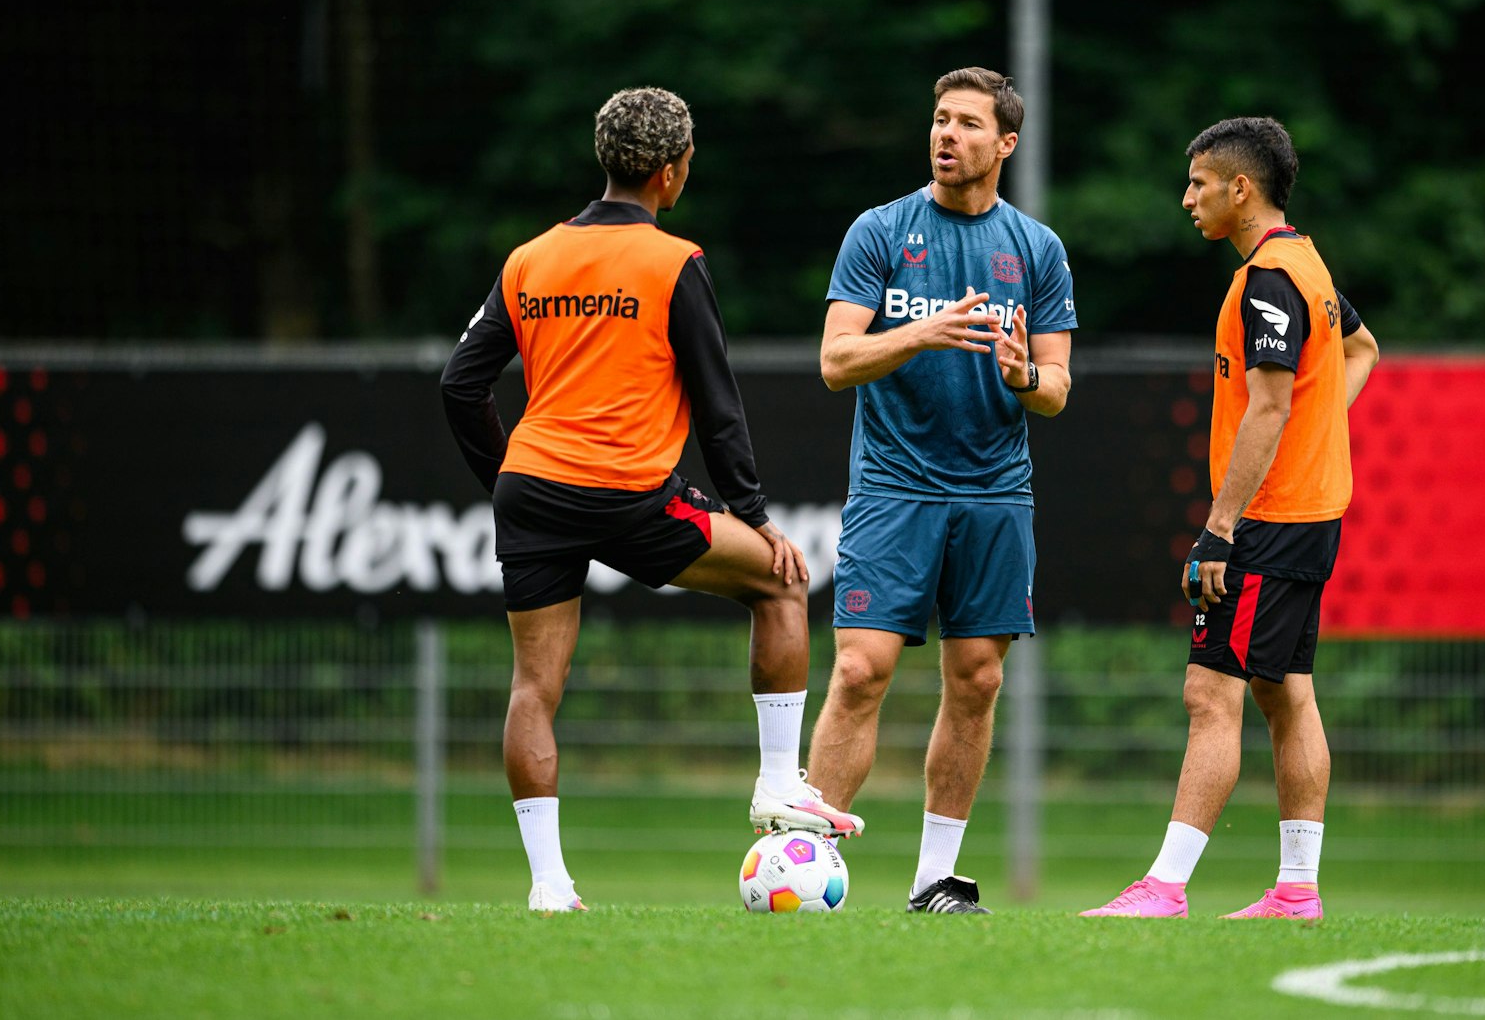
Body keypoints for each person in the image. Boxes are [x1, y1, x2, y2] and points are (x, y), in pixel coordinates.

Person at [440, 86, 862, 913]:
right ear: (672, 171)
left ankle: (549, 885)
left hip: (533, 487)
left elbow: (460, 383)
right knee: (781, 581)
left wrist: (507, 481)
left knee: (534, 687)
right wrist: (757, 515)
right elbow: (717, 403)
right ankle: (780, 783)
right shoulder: (674, 261)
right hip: (627, 491)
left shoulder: (529, 259)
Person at [1082, 116, 1379, 920]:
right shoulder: (1307, 263)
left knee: (1210, 693)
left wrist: (1219, 527)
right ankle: (1296, 888)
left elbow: (1271, 405)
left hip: (1270, 520)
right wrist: (1318, 434)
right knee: (1286, 692)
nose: (1188, 199)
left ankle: (1166, 886)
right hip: (1312, 513)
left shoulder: (1270, 280)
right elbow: (1362, 349)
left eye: (1199, 183)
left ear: (1240, 188)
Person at [804, 67, 1077, 914]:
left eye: (966, 123)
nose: (946, 134)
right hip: (894, 487)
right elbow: (835, 360)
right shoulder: (880, 230)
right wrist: (921, 332)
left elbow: (1057, 387)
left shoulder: (1036, 249)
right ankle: (803, 863)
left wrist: (1022, 373)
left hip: (995, 492)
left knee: (978, 679)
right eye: (939, 119)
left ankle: (933, 880)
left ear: (1006, 142)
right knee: (860, 669)